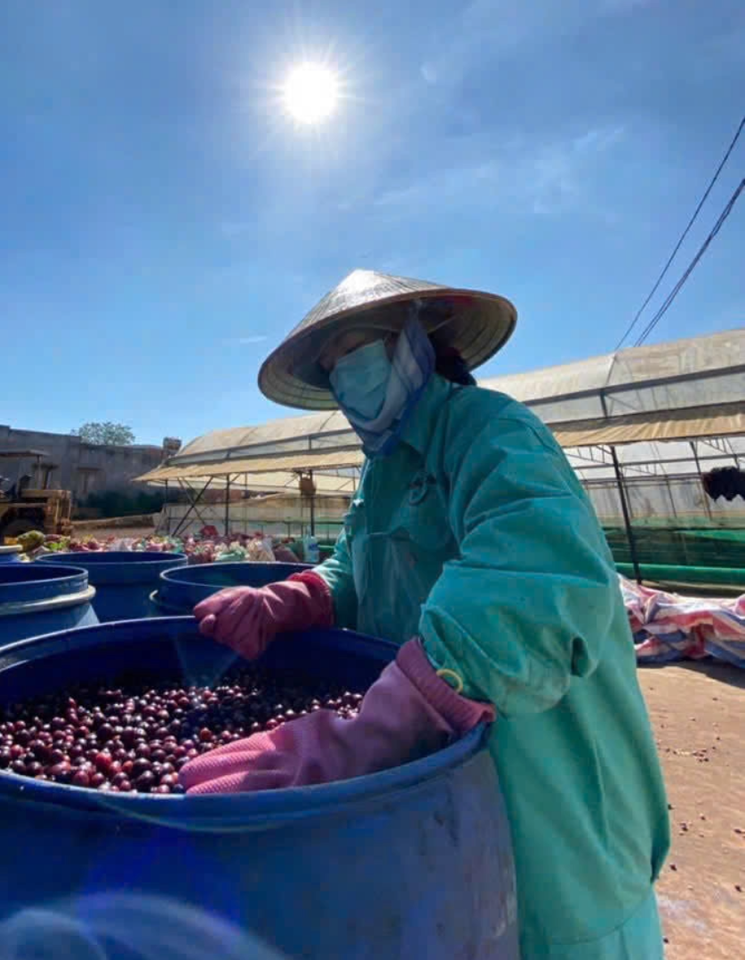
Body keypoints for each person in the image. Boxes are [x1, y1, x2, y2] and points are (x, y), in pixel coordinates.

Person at [180, 270, 670, 959]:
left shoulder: (494, 432)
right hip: (434, 800)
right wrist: (295, 598)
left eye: (357, 351)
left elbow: (532, 581)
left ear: (416, 340)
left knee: (550, 927)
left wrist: (384, 722)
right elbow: (356, 566)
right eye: (332, 369)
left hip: (549, 802)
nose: (347, 378)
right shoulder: (379, 472)